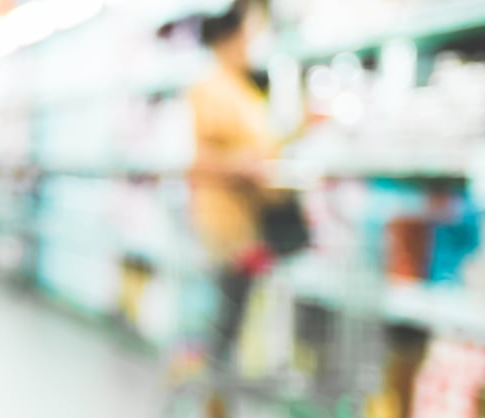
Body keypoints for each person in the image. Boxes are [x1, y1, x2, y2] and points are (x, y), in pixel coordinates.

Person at [188, 1, 276, 415]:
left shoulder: (246, 90)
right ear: (228, 37)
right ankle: (212, 405)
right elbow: (197, 161)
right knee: (222, 326)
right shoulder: (208, 90)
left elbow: (262, 150)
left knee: (234, 324)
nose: (254, 41)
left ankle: (219, 402)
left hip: (251, 223)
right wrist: (243, 165)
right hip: (224, 226)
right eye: (249, 32)